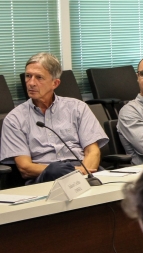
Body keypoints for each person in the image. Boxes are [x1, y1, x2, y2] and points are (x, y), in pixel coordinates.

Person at [0, 52, 107, 183]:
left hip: (82, 168)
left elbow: (92, 151)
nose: (31, 83)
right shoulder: (14, 119)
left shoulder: (78, 107)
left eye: (39, 77)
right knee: (55, 170)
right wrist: (74, 172)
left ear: (55, 83)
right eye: (28, 76)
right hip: (45, 175)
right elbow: (25, 168)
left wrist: (84, 172)